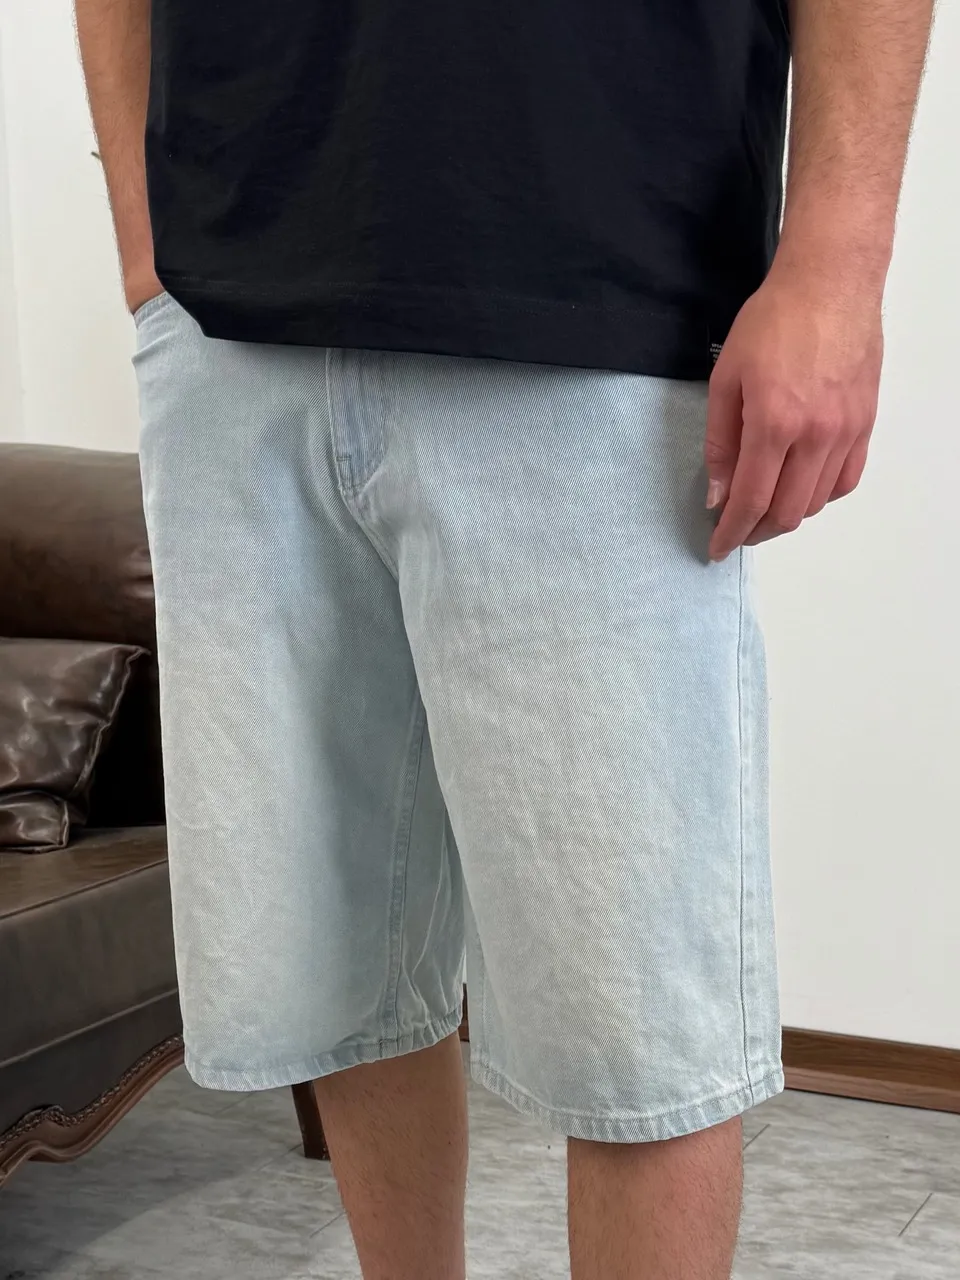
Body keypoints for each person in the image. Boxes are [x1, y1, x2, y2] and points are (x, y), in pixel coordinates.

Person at [76, 2, 932, 1276]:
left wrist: (840, 262)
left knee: (637, 1023)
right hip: (235, 320)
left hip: (604, 297)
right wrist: (146, 248)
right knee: (342, 967)